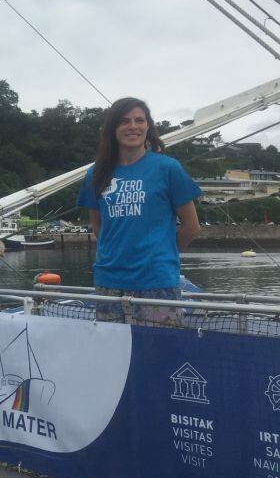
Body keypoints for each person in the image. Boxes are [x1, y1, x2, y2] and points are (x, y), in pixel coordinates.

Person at [76, 97, 201, 325]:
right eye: (124, 121)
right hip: (109, 281)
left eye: (139, 120)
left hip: (157, 282)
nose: (133, 126)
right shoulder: (96, 173)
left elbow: (191, 227)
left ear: (148, 126)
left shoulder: (168, 169)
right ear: (113, 129)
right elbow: (98, 225)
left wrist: (162, 255)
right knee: (114, 355)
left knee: (159, 355)